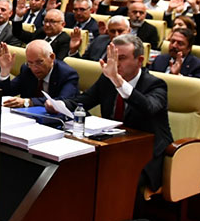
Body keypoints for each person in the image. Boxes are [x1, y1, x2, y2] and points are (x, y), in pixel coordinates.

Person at [63, 35, 171, 191]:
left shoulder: (156, 85)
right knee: (76, 167)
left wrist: (117, 81)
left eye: (121, 58)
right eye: (111, 58)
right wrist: (55, 104)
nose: (114, 64)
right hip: (112, 145)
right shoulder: (107, 79)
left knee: (118, 180)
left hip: (147, 152)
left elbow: (148, 107)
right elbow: (83, 101)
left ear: (140, 61)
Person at [0, 40, 80, 110]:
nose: (34, 68)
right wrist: (5, 71)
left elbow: (62, 101)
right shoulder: (27, 69)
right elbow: (7, 92)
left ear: (52, 57)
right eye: (30, 63)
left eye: (39, 62)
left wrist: (29, 102)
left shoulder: (67, 74)